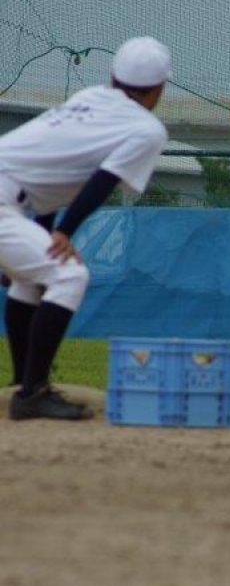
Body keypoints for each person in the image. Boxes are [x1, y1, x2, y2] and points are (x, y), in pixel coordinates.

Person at [0, 36, 172, 420]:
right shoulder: (146, 129)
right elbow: (105, 180)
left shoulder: (89, 98)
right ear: (160, 88)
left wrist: (48, 236)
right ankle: (32, 395)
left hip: (10, 193)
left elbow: (46, 188)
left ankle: (23, 384)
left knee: (32, 278)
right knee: (69, 274)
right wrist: (63, 234)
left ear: (113, 78)